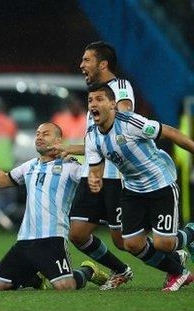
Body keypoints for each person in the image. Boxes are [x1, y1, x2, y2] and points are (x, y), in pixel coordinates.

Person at [86, 84, 194, 291]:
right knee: (132, 244)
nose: (93, 104)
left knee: (164, 244)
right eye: (90, 100)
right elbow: (95, 169)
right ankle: (179, 272)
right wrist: (94, 179)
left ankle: (191, 231)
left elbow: (169, 132)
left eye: (99, 99)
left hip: (160, 183)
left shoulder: (130, 123)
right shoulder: (92, 136)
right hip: (133, 190)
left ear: (112, 104)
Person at [0, 122, 108, 291]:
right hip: (25, 240)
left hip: (53, 239)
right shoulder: (29, 166)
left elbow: (96, 171)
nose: (39, 137)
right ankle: (36, 279)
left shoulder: (71, 166)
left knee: (65, 287)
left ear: (59, 140)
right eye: (38, 133)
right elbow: (1, 180)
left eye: (45, 134)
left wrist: (75, 151)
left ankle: (88, 270)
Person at [57, 41, 136, 290]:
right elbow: (95, 140)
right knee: (77, 233)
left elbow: (123, 119)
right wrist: (68, 148)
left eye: (86, 60)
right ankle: (120, 269)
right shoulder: (95, 96)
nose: (81, 65)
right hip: (92, 171)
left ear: (102, 64)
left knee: (123, 241)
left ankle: (175, 255)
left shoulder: (120, 87)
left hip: (115, 174)